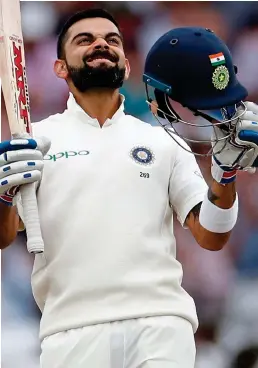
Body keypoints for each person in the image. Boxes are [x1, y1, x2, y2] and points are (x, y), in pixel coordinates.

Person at [0, 8, 258, 368]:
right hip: (71, 330)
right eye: (85, 39)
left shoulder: (163, 140)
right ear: (60, 67)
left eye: (112, 40)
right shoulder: (37, 142)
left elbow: (212, 235)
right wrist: (3, 194)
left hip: (161, 325)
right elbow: (5, 235)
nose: (101, 44)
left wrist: (225, 173)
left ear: (126, 63)